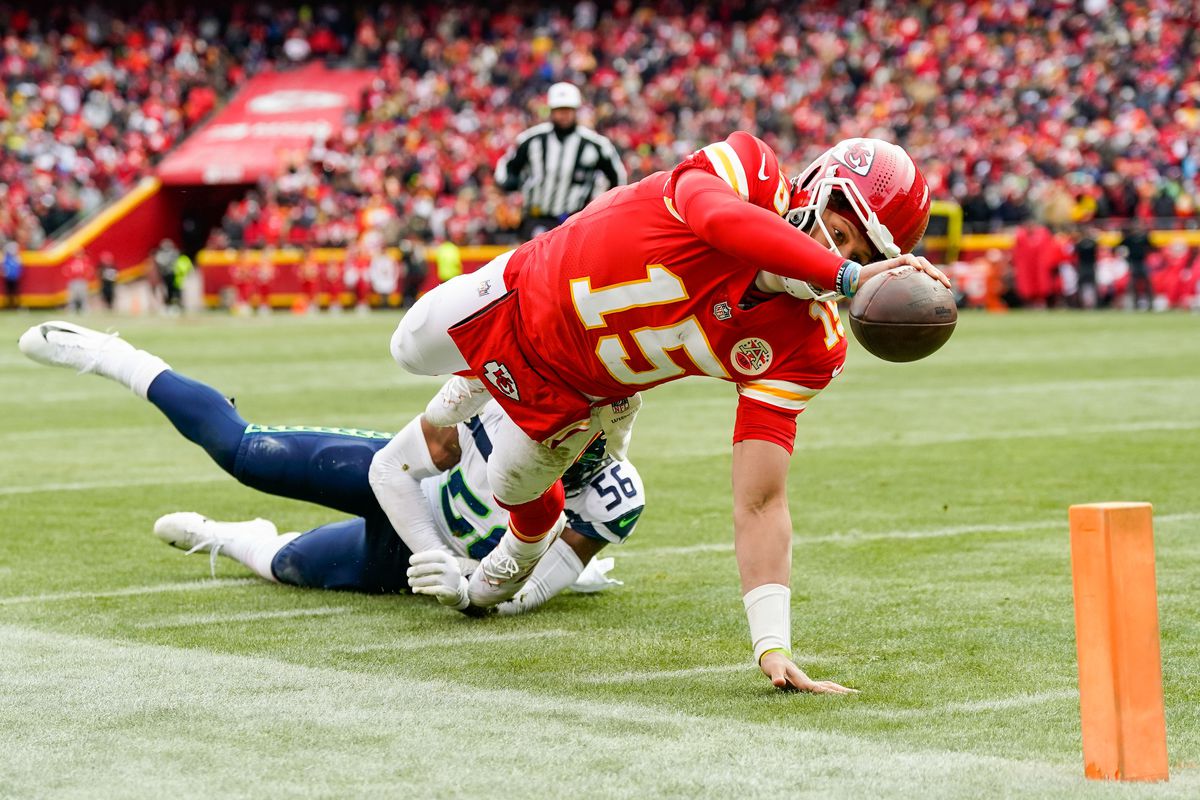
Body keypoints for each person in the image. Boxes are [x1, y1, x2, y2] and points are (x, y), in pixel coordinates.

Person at [390, 132, 948, 693]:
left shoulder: (807, 344)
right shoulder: (749, 170)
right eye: (844, 236)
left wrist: (772, 643)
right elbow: (717, 218)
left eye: (859, 258)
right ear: (817, 188)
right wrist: (846, 277)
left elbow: (760, 501)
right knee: (407, 347)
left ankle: (487, 585)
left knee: (514, 494)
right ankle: (474, 385)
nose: (841, 257)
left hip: (571, 394)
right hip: (518, 293)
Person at [17, 320, 645, 613]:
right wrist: (431, 547)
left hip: (454, 560)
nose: (558, 444)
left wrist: (470, 589)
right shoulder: (487, 395)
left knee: (288, 565)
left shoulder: (610, 496)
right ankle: (111, 355)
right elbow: (391, 473)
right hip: (413, 500)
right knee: (248, 454)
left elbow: (527, 590)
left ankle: (231, 536)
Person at [495, 82, 627, 240]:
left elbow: (617, 177)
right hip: (538, 216)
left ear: (576, 111)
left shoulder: (595, 144)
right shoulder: (532, 140)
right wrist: (510, 183)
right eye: (559, 110)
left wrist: (604, 205)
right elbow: (505, 168)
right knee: (536, 261)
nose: (564, 115)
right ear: (551, 111)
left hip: (576, 218)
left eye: (568, 110)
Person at [3, 241, 20, 310]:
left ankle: (15, 305)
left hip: (14, 278)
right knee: (9, 291)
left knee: (15, 291)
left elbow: (18, 268)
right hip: (9, 278)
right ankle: (9, 304)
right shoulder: (7, 258)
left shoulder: (16, 258)